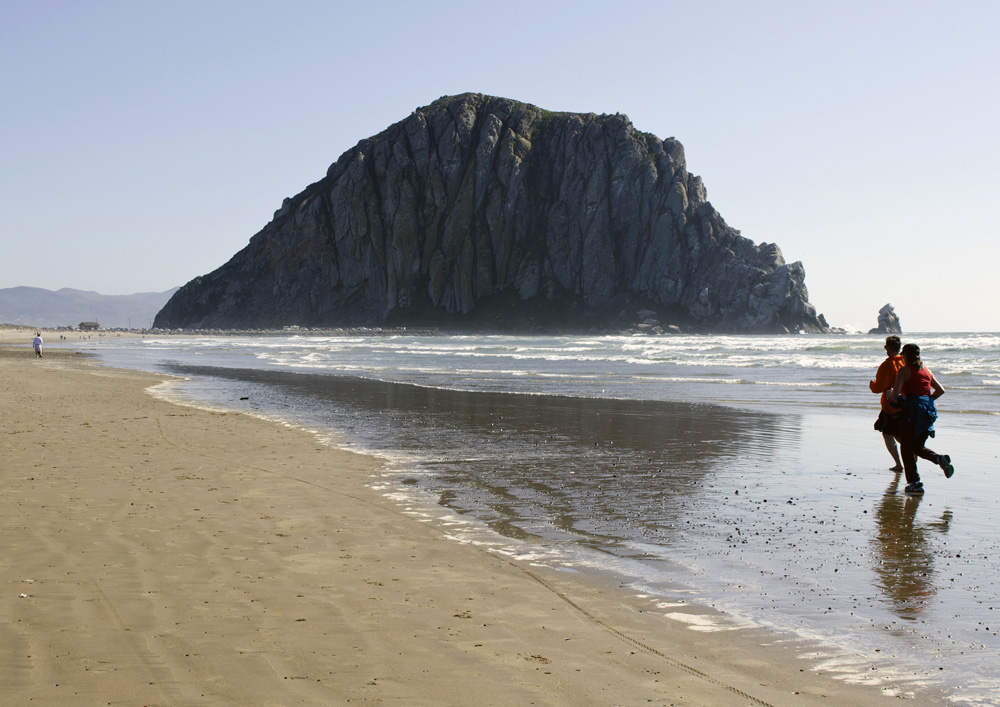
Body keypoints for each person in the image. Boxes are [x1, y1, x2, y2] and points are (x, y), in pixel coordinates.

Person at [888, 343, 954, 494]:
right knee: (917, 446)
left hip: (911, 412)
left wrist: (889, 394)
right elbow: (940, 390)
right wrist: (926, 400)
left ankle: (914, 482)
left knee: (906, 447)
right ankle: (939, 459)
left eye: (902, 355)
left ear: (905, 356)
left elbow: (895, 394)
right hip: (928, 412)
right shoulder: (926, 370)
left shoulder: (904, 371)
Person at [870, 335, 905, 471]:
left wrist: (872, 384)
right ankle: (912, 455)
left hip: (890, 405)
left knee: (888, 434)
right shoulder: (904, 362)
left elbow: (878, 387)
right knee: (898, 434)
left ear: (887, 348)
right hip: (905, 403)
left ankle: (899, 463)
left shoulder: (886, 365)